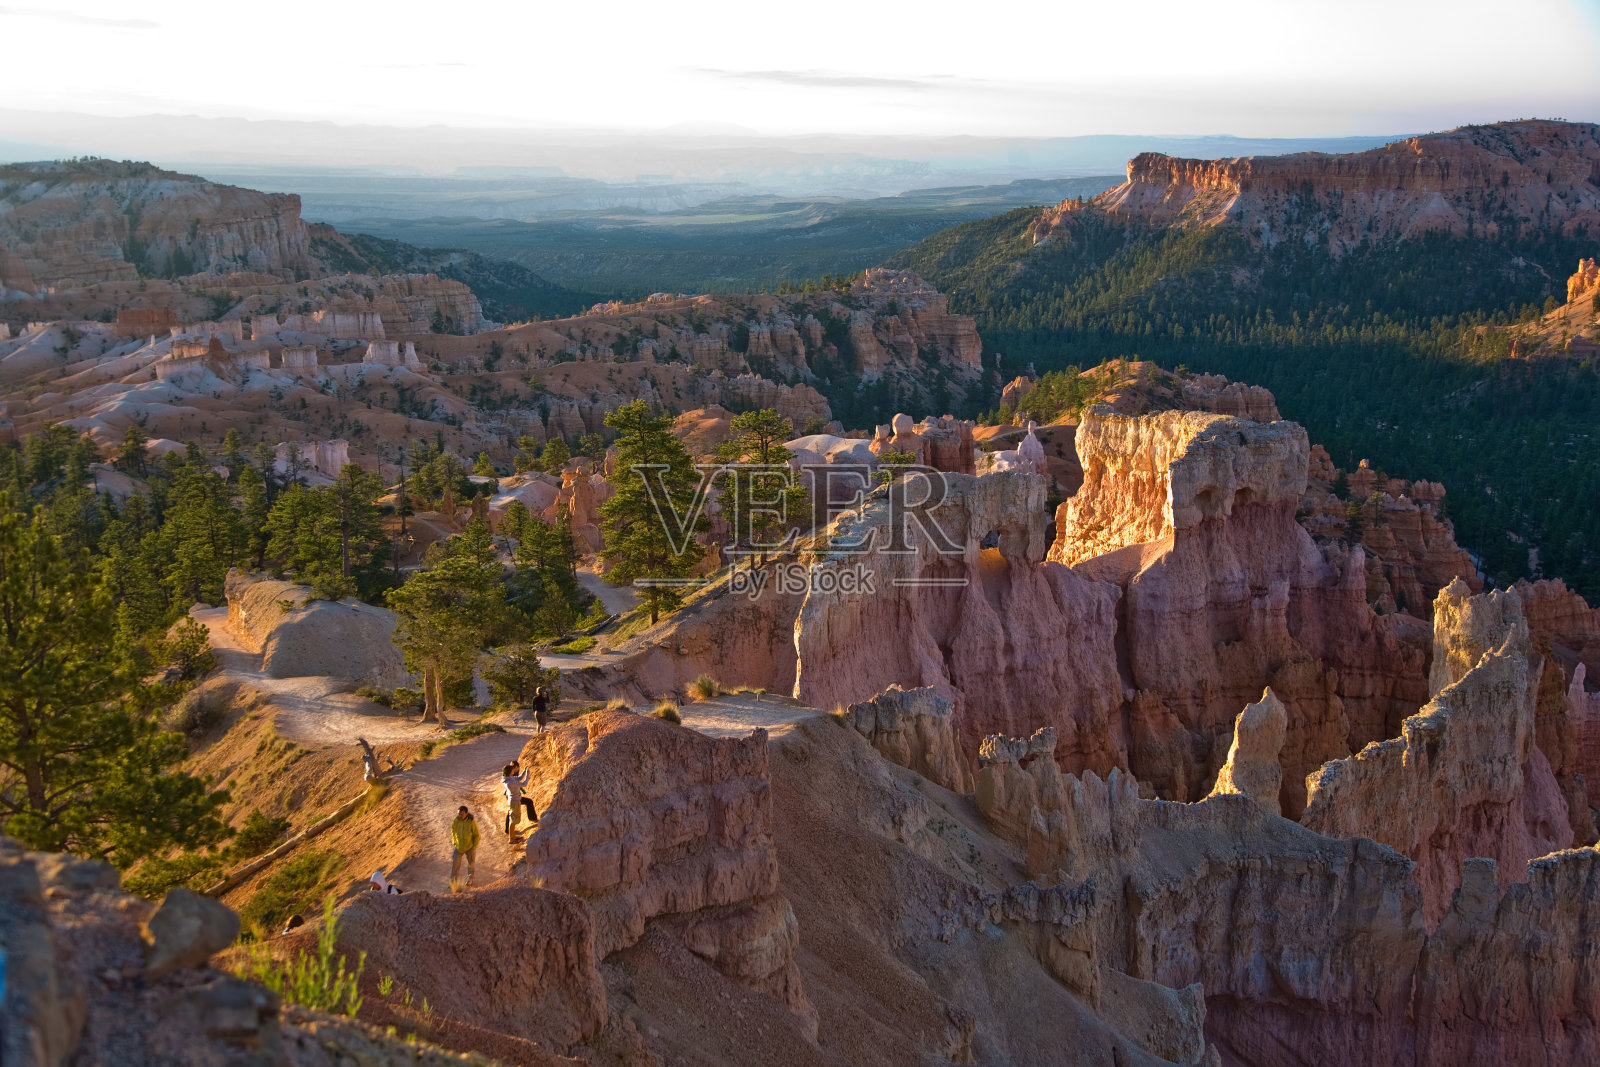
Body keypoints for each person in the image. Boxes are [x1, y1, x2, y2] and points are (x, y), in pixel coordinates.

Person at [450, 805, 479, 890]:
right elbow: (453, 831)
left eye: (461, 814)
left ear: (466, 813)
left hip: (470, 847)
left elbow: (477, 835)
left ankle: (470, 879)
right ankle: (454, 882)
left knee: (471, 863)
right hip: (459, 847)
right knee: (455, 864)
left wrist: (474, 846)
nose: (460, 816)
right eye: (459, 814)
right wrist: (454, 842)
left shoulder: (471, 822)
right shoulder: (456, 821)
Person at [502, 761, 536, 833]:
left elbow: (519, 778)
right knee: (512, 816)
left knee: (528, 802)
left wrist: (524, 771)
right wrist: (528, 774)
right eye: (517, 768)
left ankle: (532, 818)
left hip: (514, 797)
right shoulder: (510, 780)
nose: (517, 769)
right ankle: (509, 832)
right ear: (513, 769)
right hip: (513, 799)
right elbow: (524, 784)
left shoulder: (509, 777)